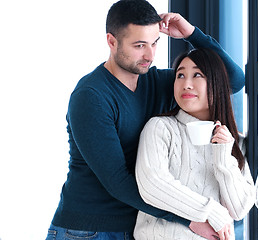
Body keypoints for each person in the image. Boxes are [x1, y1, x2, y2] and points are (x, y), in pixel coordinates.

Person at [46, 0, 244, 239]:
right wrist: (190, 218)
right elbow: (117, 180)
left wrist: (192, 34)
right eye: (139, 45)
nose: (149, 55)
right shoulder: (91, 97)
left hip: (139, 225)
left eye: (154, 43)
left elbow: (231, 81)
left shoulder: (157, 83)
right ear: (111, 41)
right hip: (87, 230)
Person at [134, 48, 255, 240]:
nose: (186, 84)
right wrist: (212, 211)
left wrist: (223, 157)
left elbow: (239, 209)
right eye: (180, 75)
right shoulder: (160, 127)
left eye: (197, 74)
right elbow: (152, 185)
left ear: (217, 83)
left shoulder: (234, 141)